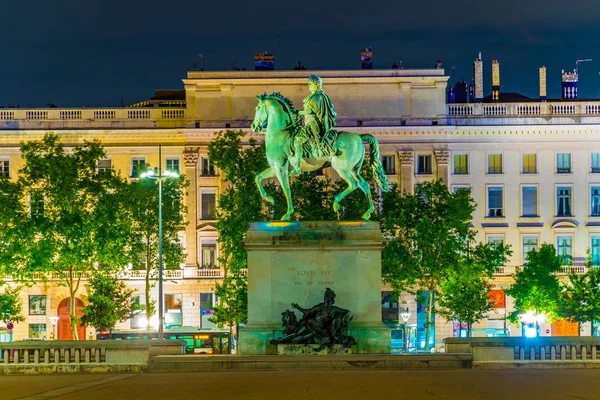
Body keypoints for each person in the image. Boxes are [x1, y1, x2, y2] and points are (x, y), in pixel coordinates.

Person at [290, 75, 337, 176]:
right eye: (309, 84)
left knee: (297, 140)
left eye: (311, 84)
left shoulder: (317, 97)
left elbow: (310, 111)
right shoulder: (315, 96)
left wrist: (298, 112)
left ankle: (297, 167)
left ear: (317, 85)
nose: (309, 86)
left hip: (312, 125)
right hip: (308, 123)